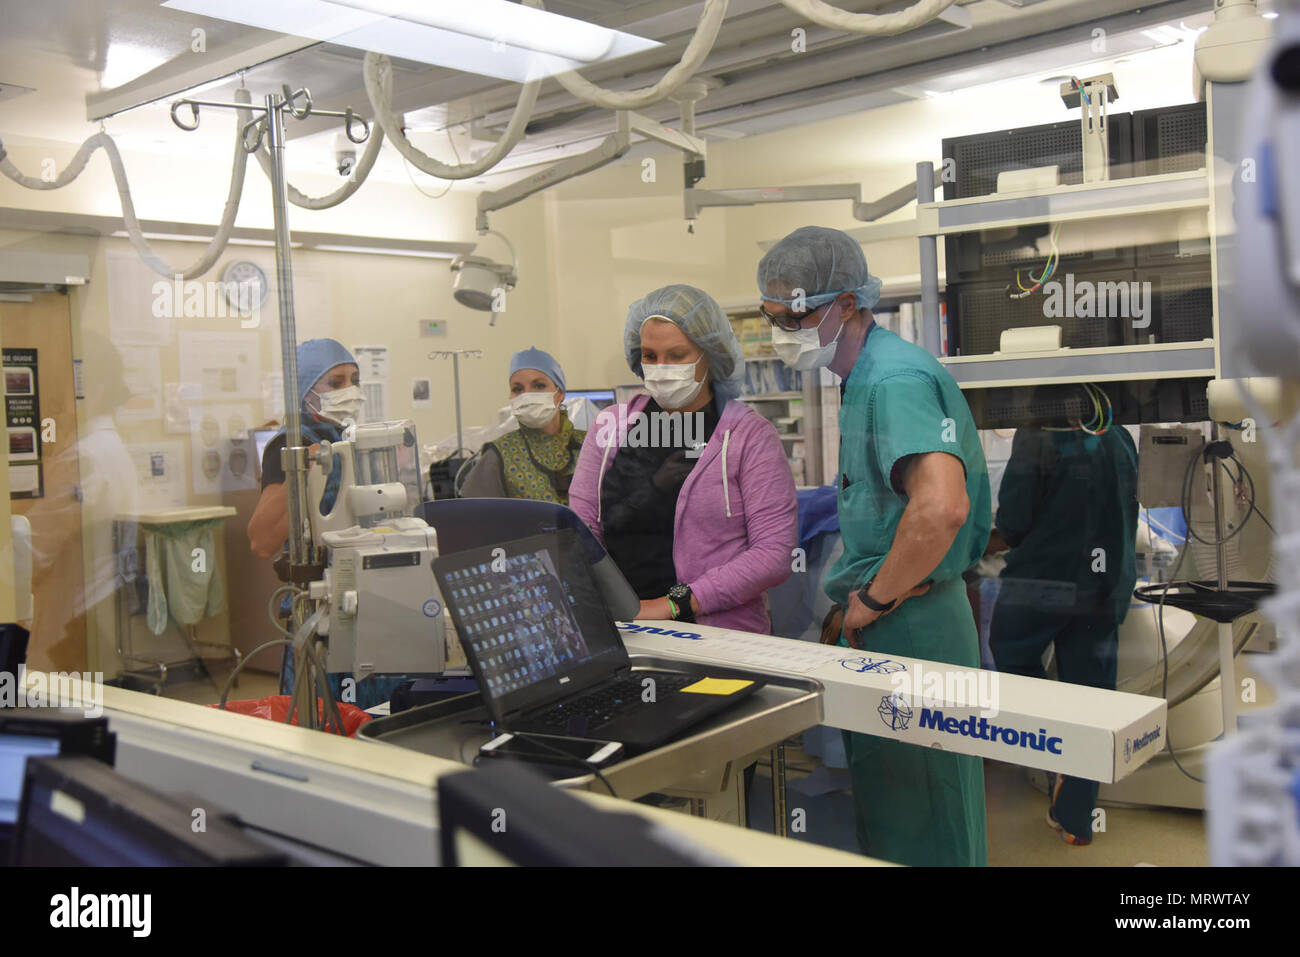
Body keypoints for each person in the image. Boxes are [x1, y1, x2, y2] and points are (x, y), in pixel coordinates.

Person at [759, 226, 991, 866]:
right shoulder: (864, 375)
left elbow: (942, 506)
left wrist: (872, 598)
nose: (784, 327)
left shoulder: (891, 381)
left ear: (850, 303)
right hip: (899, 618)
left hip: (910, 623)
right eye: (773, 315)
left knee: (925, 817)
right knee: (899, 807)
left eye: (798, 313)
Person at [568, 284, 798, 633]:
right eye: (650, 356)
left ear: (711, 355)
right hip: (621, 627)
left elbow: (773, 553)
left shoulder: (748, 436)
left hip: (719, 633)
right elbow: (582, 531)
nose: (661, 368)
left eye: (677, 356)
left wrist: (673, 603)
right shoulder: (610, 428)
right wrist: (612, 603)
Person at [987, 423, 1138, 846]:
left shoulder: (1039, 433)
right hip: (1106, 583)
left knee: (1011, 654)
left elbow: (1015, 522)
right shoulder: (1119, 434)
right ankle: (1076, 819)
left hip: (1047, 580)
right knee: (1092, 695)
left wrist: (987, 538)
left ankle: (1060, 751)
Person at [246, 338, 412, 710]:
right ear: (306, 392)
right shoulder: (292, 445)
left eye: (354, 380)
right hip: (323, 605)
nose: (349, 391)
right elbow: (261, 541)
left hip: (370, 594)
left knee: (374, 716)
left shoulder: (346, 438)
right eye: (335, 383)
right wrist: (304, 470)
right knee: (328, 716)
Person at [460, 347, 586, 504]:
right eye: (517, 389)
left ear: (560, 393)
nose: (527, 395)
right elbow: (474, 517)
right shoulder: (500, 455)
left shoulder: (590, 446)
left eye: (539, 386)